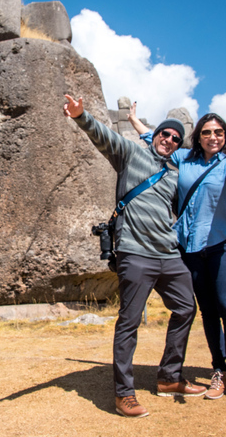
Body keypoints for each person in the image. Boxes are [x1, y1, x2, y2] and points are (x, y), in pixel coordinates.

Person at [63, 94, 205, 418]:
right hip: (135, 253)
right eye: (164, 134)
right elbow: (104, 136)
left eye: (175, 138)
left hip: (168, 255)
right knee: (129, 322)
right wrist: (81, 115)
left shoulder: (174, 171)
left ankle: (169, 377)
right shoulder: (130, 153)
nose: (168, 140)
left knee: (185, 307)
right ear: (154, 136)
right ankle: (124, 394)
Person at [128, 105, 226, 403]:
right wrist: (135, 121)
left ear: (224, 136)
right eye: (207, 133)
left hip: (221, 244)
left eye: (218, 132)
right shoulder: (183, 160)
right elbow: (156, 138)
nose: (213, 137)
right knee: (207, 311)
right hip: (190, 248)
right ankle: (219, 370)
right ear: (198, 137)